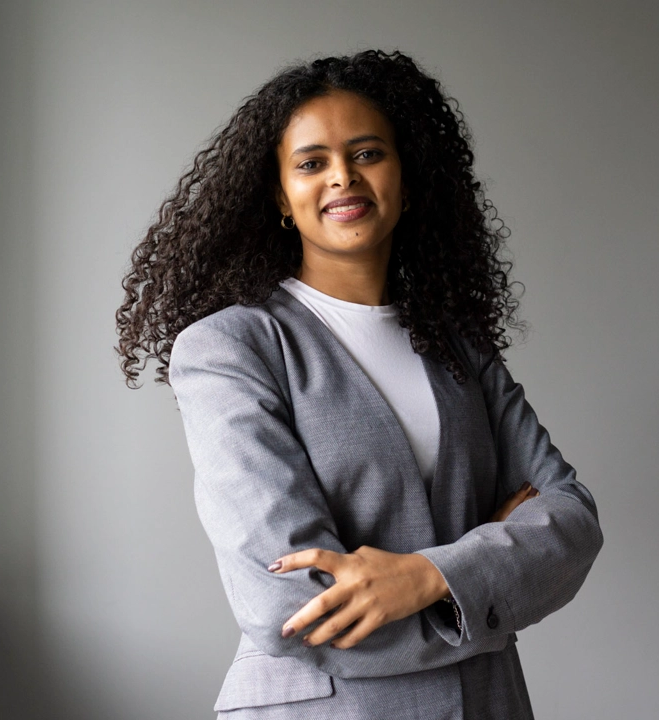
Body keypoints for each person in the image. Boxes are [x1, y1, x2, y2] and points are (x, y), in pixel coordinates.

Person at [115, 49, 603, 719]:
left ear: (407, 177)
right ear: (281, 197)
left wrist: (428, 575)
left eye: (367, 153)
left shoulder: (457, 345)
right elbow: (292, 603)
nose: (343, 177)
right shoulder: (231, 347)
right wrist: (477, 577)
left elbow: (571, 518)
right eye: (311, 163)